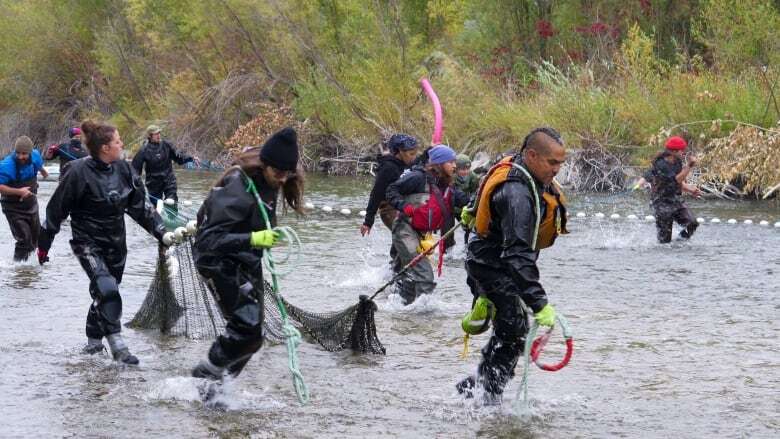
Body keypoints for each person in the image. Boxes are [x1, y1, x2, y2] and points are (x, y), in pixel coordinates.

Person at [37, 120, 171, 365]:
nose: (122, 144)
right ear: (105, 148)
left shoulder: (124, 169)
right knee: (107, 288)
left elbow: (140, 207)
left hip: (116, 242)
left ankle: (93, 344)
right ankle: (118, 345)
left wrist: (162, 231)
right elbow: (56, 210)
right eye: (118, 141)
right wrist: (43, 245)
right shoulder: (77, 172)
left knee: (107, 291)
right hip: (86, 243)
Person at [456, 127, 568, 404]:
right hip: (491, 266)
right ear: (531, 155)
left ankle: (476, 386)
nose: (557, 169)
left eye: (560, 163)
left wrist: (472, 208)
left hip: (489, 260)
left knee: (509, 328)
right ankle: (489, 399)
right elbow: (517, 255)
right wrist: (539, 303)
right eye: (552, 162)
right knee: (515, 330)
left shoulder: (522, 169)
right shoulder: (517, 193)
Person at [191, 127, 304, 380]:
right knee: (246, 328)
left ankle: (221, 385)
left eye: (288, 174)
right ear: (265, 166)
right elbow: (208, 240)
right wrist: (253, 238)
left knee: (254, 337)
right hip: (217, 261)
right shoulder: (237, 187)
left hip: (246, 259)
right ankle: (205, 374)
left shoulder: (273, 177)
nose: (284, 179)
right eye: (279, 173)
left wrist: (263, 237)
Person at [385, 144, 467, 305]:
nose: (455, 165)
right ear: (439, 163)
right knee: (425, 275)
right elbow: (391, 190)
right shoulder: (418, 177)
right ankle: (425, 319)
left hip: (421, 234)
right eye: (450, 162)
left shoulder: (447, 185)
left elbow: (463, 200)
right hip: (404, 231)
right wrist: (403, 206)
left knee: (410, 277)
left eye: (454, 162)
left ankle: (402, 310)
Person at [644, 136, 701, 243]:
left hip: (674, 200)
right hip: (661, 203)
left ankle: (679, 242)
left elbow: (679, 182)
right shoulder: (661, 165)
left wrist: (691, 190)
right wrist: (689, 165)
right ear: (674, 151)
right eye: (681, 150)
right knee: (665, 243)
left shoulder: (677, 162)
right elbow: (676, 179)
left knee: (692, 223)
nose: (683, 152)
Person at [360, 134, 419, 237]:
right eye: (411, 154)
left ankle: (398, 252)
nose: (414, 157)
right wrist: (368, 222)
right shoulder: (388, 168)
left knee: (416, 232)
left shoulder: (407, 162)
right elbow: (376, 194)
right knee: (405, 234)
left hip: (403, 204)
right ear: (400, 151)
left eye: (415, 154)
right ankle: (401, 251)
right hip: (389, 209)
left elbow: (421, 161)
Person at [0, 136, 48, 261]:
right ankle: (18, 271)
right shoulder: (7, 165)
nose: (21, 156)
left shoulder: (36, 156)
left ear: (30, 152)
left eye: (24, 154)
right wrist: (18, 191)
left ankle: (31, 271)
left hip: (31, 204)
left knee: (36, 239)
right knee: (24, 240)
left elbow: (39, 165)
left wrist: (43, 172)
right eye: (18, 153)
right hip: (12, 208)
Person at [131, 124, 198, 207]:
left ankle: (172, 217)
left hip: (169, 180)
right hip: (153, 184)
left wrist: (191, 158)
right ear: (150, 136)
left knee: (171, 202)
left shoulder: (166, 144)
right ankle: (157, 217)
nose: (159, 135)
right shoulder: (144, 150)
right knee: (156, 208)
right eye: (156, 134)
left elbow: (179, 157)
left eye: (159, 133)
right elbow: (135, 169)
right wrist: (135, 182)